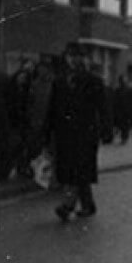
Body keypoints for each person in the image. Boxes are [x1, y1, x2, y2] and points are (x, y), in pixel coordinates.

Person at [45, 43, 113, 221]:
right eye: (72, 56)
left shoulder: (94, 81)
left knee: (77, 170)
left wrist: (107, 130)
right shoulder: (59, 81)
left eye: (80, 56)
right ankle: (88, 205)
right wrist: (46, 132)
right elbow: (52, 108)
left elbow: (103, 108)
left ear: (86, 59)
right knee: (75, 171)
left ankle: (67, 206)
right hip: (65, 134)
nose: (76, 60)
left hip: (86, 133)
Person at [0, 55, 13, 181]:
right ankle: (1, 173)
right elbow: (11, 101)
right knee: (1, 145)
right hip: (2, 117)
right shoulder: (5, 78)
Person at [113, 75, 132, 144]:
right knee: (122, 125)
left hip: (125, 110)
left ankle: (124, 138)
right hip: (122, 110)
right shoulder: (119, 90)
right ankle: (123, 137)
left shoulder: (128, 90)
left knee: (124, 125)